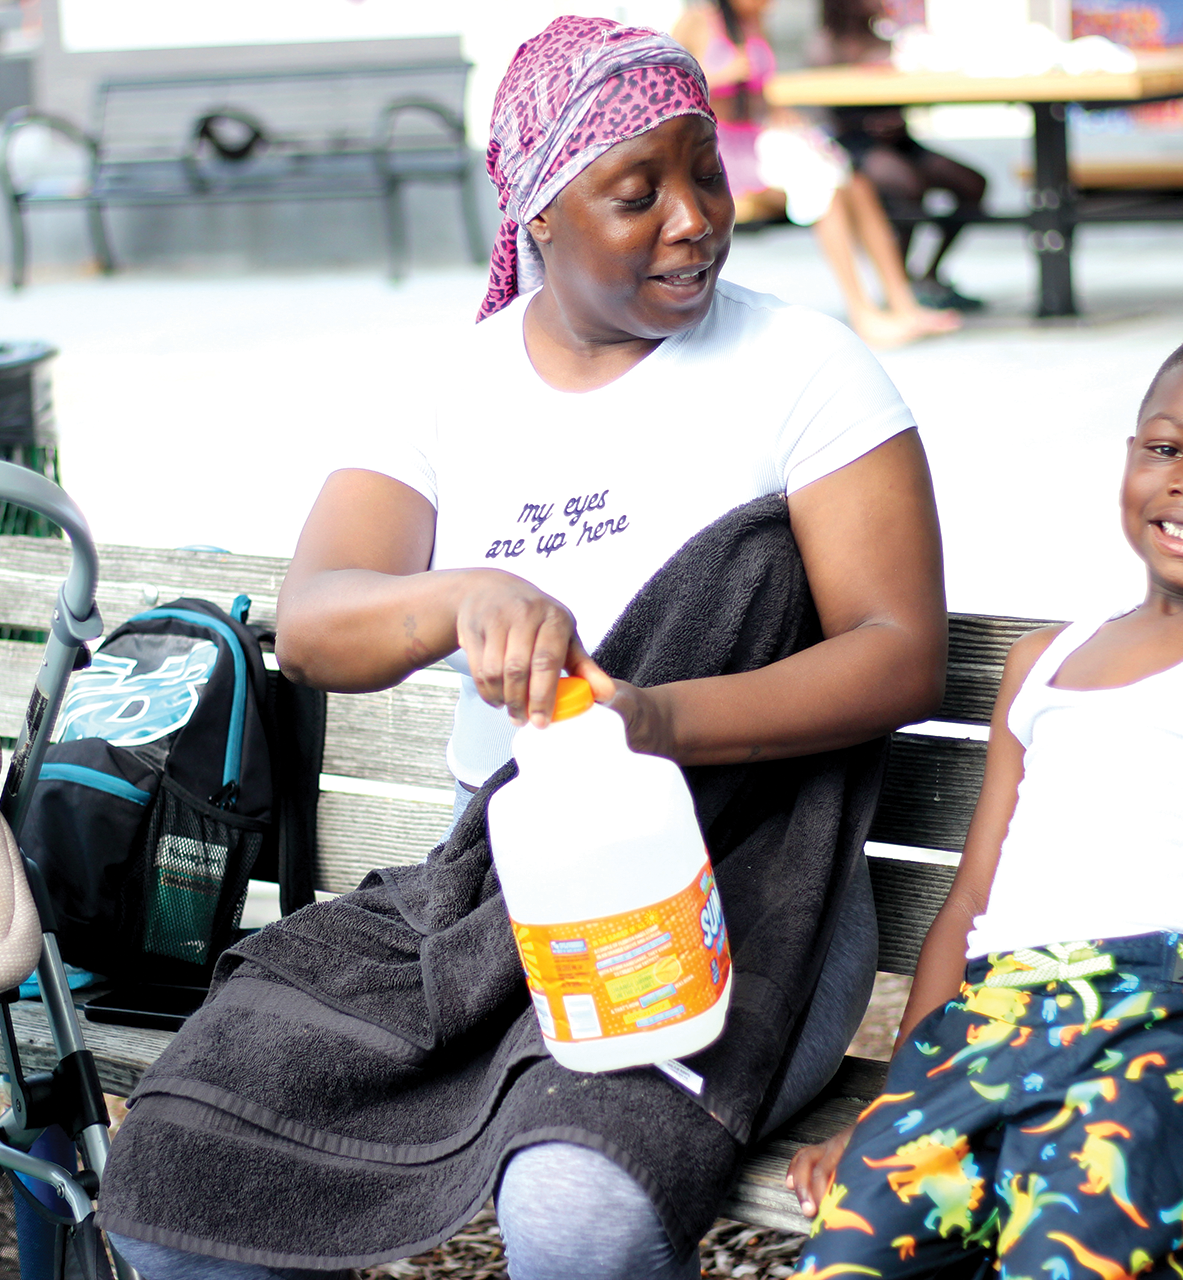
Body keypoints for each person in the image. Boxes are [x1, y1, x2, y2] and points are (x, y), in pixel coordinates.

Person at [98, 18, 945, 1280]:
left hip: (745, 889)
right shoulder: (455, 388)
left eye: (704, 170)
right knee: (173, 1173)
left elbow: (898, 653)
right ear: (539, 214)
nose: (694, 218)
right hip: (485, 889)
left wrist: (652, 718)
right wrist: (458, 598)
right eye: (635, 192)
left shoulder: (802, 369)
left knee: (580, 1205)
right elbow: (322, 616)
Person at [786, 326, 1183, 1278]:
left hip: (1163, 1034)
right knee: (851, 1257)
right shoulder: (1040, 662)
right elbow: (969, 907)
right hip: (985, 1029)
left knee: (1069, 1260)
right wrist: (898, 1106)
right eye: (1166, 449)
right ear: (1129, 462)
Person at [674, 0, 961, 347]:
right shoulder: (698, 23)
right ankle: (864, 313)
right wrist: (719, 75)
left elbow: (758, 93)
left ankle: (904, 305)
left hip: (759, 144)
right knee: (827, 190)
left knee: (856, 182)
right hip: (723, 157)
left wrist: (782, 113)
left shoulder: (753, 26)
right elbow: (674, 92)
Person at [815, 0, 991, 312]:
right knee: (906, 185)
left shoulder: (890, 41)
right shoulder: (826, 46)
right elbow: (824, 106)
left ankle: (930, 274)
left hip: (900, 142)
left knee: (972, 183)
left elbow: (909, 92)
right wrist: (867, 124)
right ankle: (899, 283)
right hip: (855, 144)